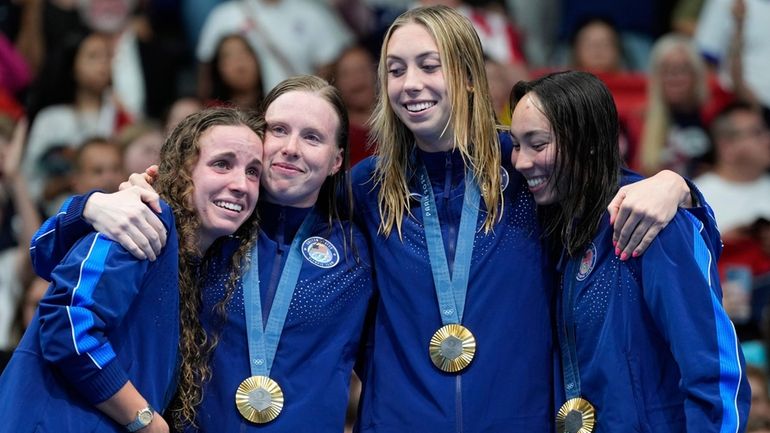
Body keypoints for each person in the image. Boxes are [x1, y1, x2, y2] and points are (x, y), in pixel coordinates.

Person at [350, 6, 700, 433]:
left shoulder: (524, 164)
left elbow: (605, 187)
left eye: (429, 66)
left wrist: (676, 186)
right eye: (395, 70)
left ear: (467, 76)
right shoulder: (367, 187)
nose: (410, 84)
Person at [27, 76, 374, 432]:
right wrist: (88, 207)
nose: (291, 147)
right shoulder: (204, 223)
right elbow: (47, 263)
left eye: (312, 137)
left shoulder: (359, 252)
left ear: (337, 160)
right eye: (279, 130)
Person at [509, 70, 749, 432]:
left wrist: (678, 185)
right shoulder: (557, 233)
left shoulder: (653, 223)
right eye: (515, 144)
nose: (521, 161)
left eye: (537, 144)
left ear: (588, 142)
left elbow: (714, 370)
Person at [0, 107, 265, 432]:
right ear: (182, 171)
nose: (241, 183)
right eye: (222, 164)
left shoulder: (204, 262)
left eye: (253, 171)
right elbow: (66, 323)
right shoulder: (143, 221)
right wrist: (145, 419)